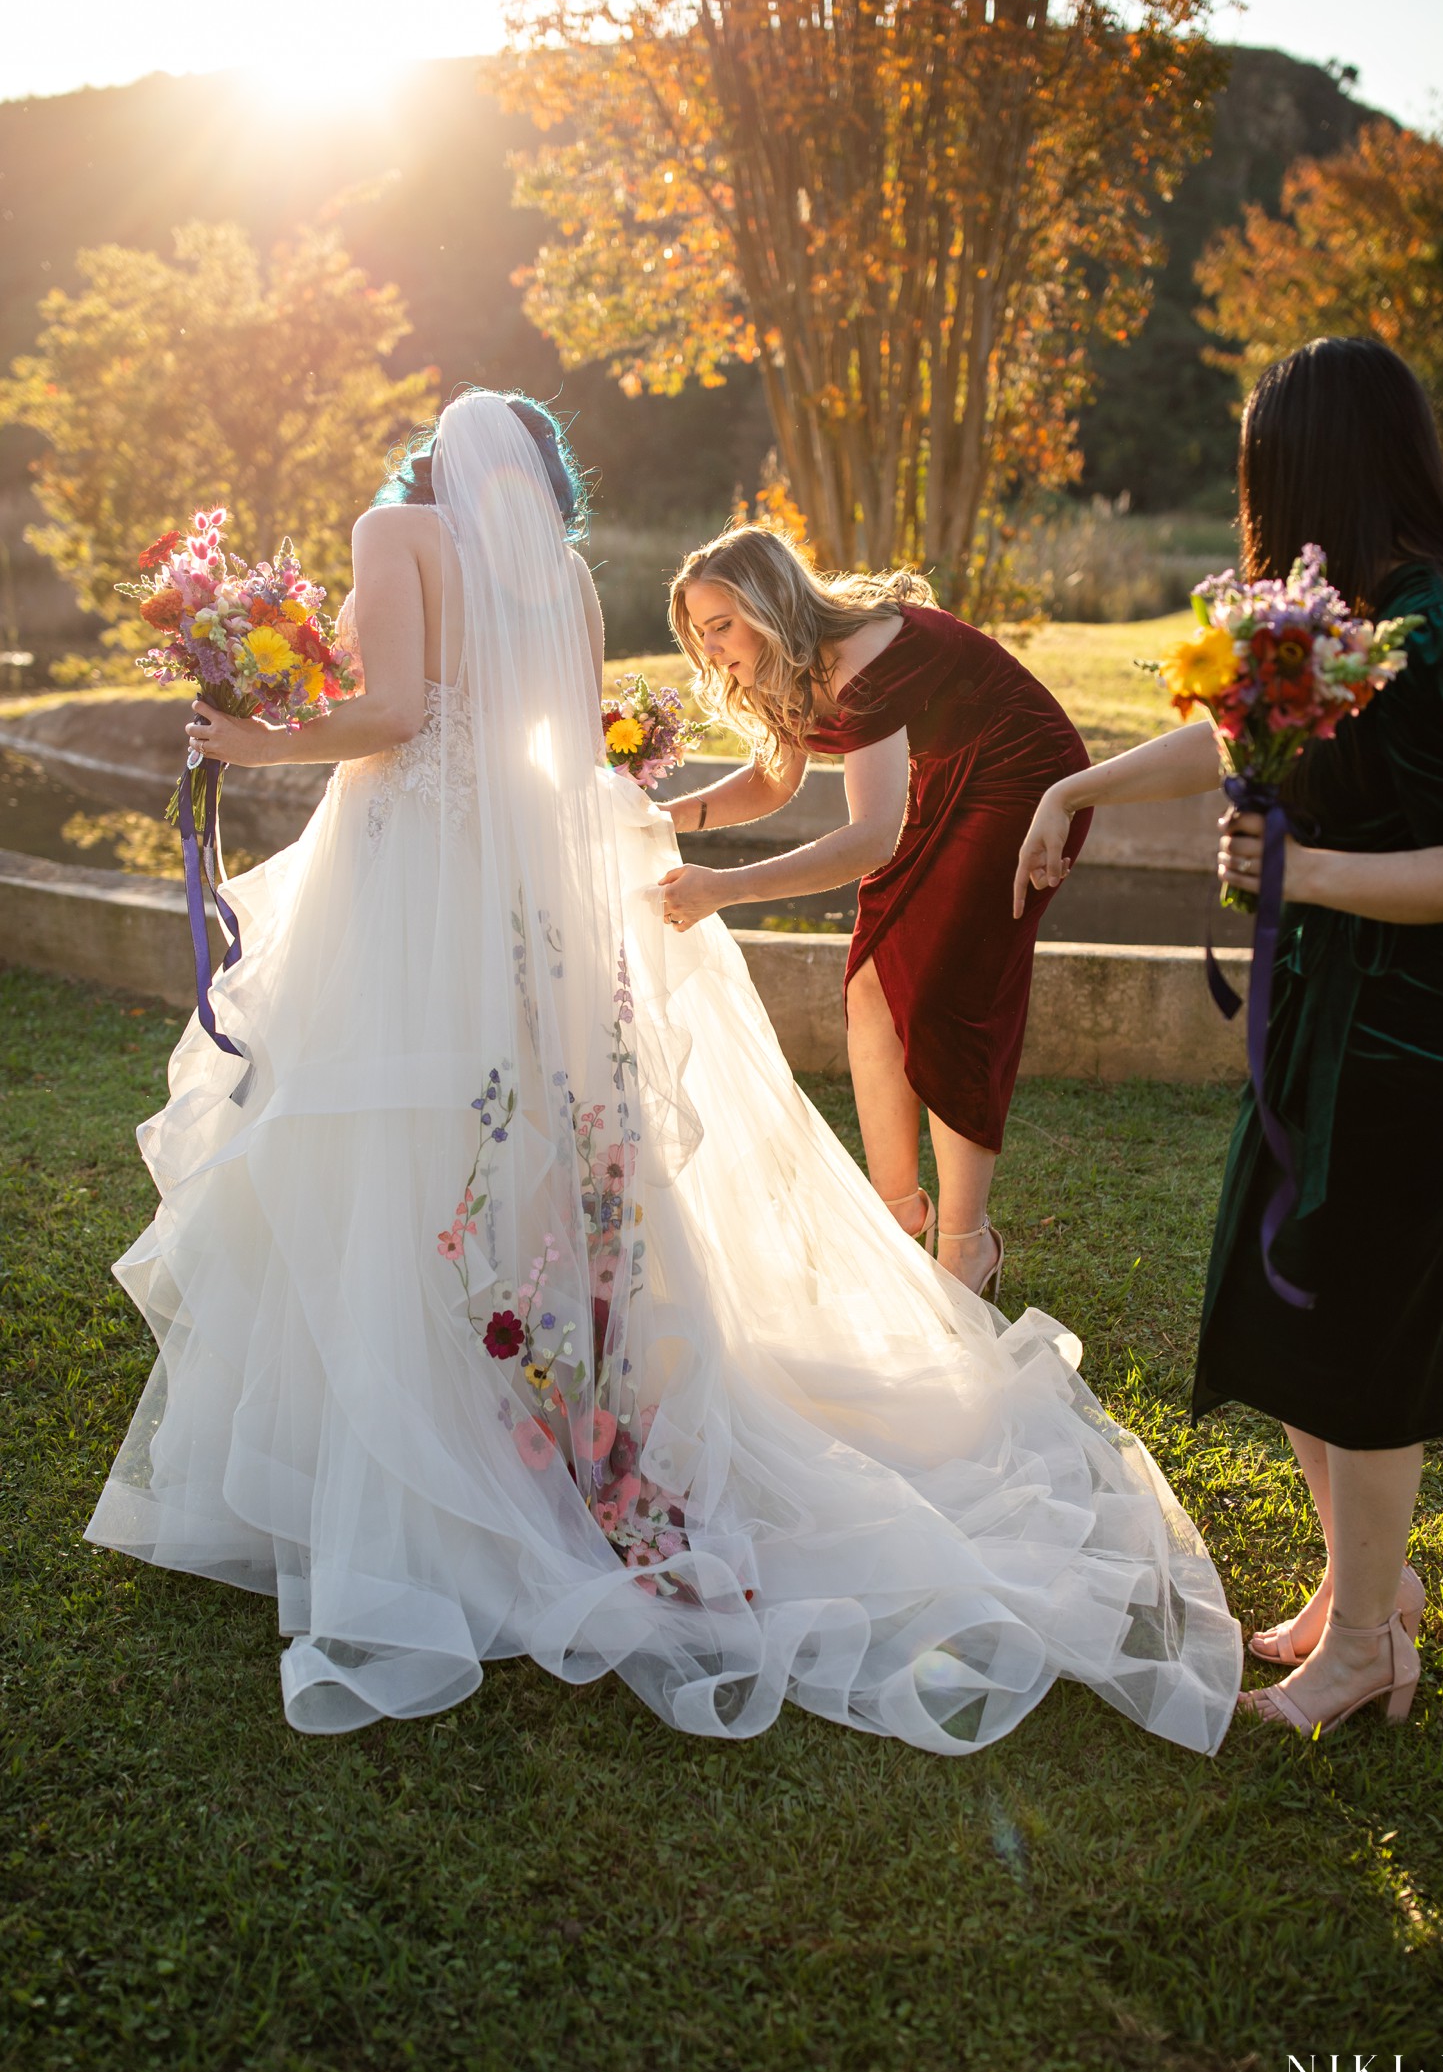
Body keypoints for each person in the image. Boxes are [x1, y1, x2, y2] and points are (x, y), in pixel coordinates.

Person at [86, 388, 1241, 1755]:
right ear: (541, 473)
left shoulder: (392, 527)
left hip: (405, 879)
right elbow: (564, 762)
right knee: (538, 1139)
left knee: (385, 1122)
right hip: (528, 891)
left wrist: (248, 733)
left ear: (433, 461)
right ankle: (579, 1415)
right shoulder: (566, 576)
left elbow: (387, 708)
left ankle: (401, 1439)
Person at [1014, 337, 1443, 1738]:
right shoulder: (1331, 611)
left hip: (1418, 1029)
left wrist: (1316, 877)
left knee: (1359, 1328)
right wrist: (1078, 787)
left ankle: (1358, 1651)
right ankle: (1376, 1584)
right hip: (1322, 1007)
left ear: (1321, 462)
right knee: (1277, 1290)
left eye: (1268, 466)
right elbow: (1228, 731)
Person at [656, 527, 1092, 1297]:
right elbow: (772, 782)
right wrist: (664, 818)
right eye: (700, 632)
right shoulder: (778, 663)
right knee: (869, 985)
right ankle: (897, 1223)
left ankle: (966, 1247)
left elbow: (867, 839)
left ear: (768, 603)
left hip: (1025, 778)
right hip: (945, 775)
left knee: (942, 996)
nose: (711, 646)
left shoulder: (857, 662)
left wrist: (722, 887)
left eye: (721, 624)